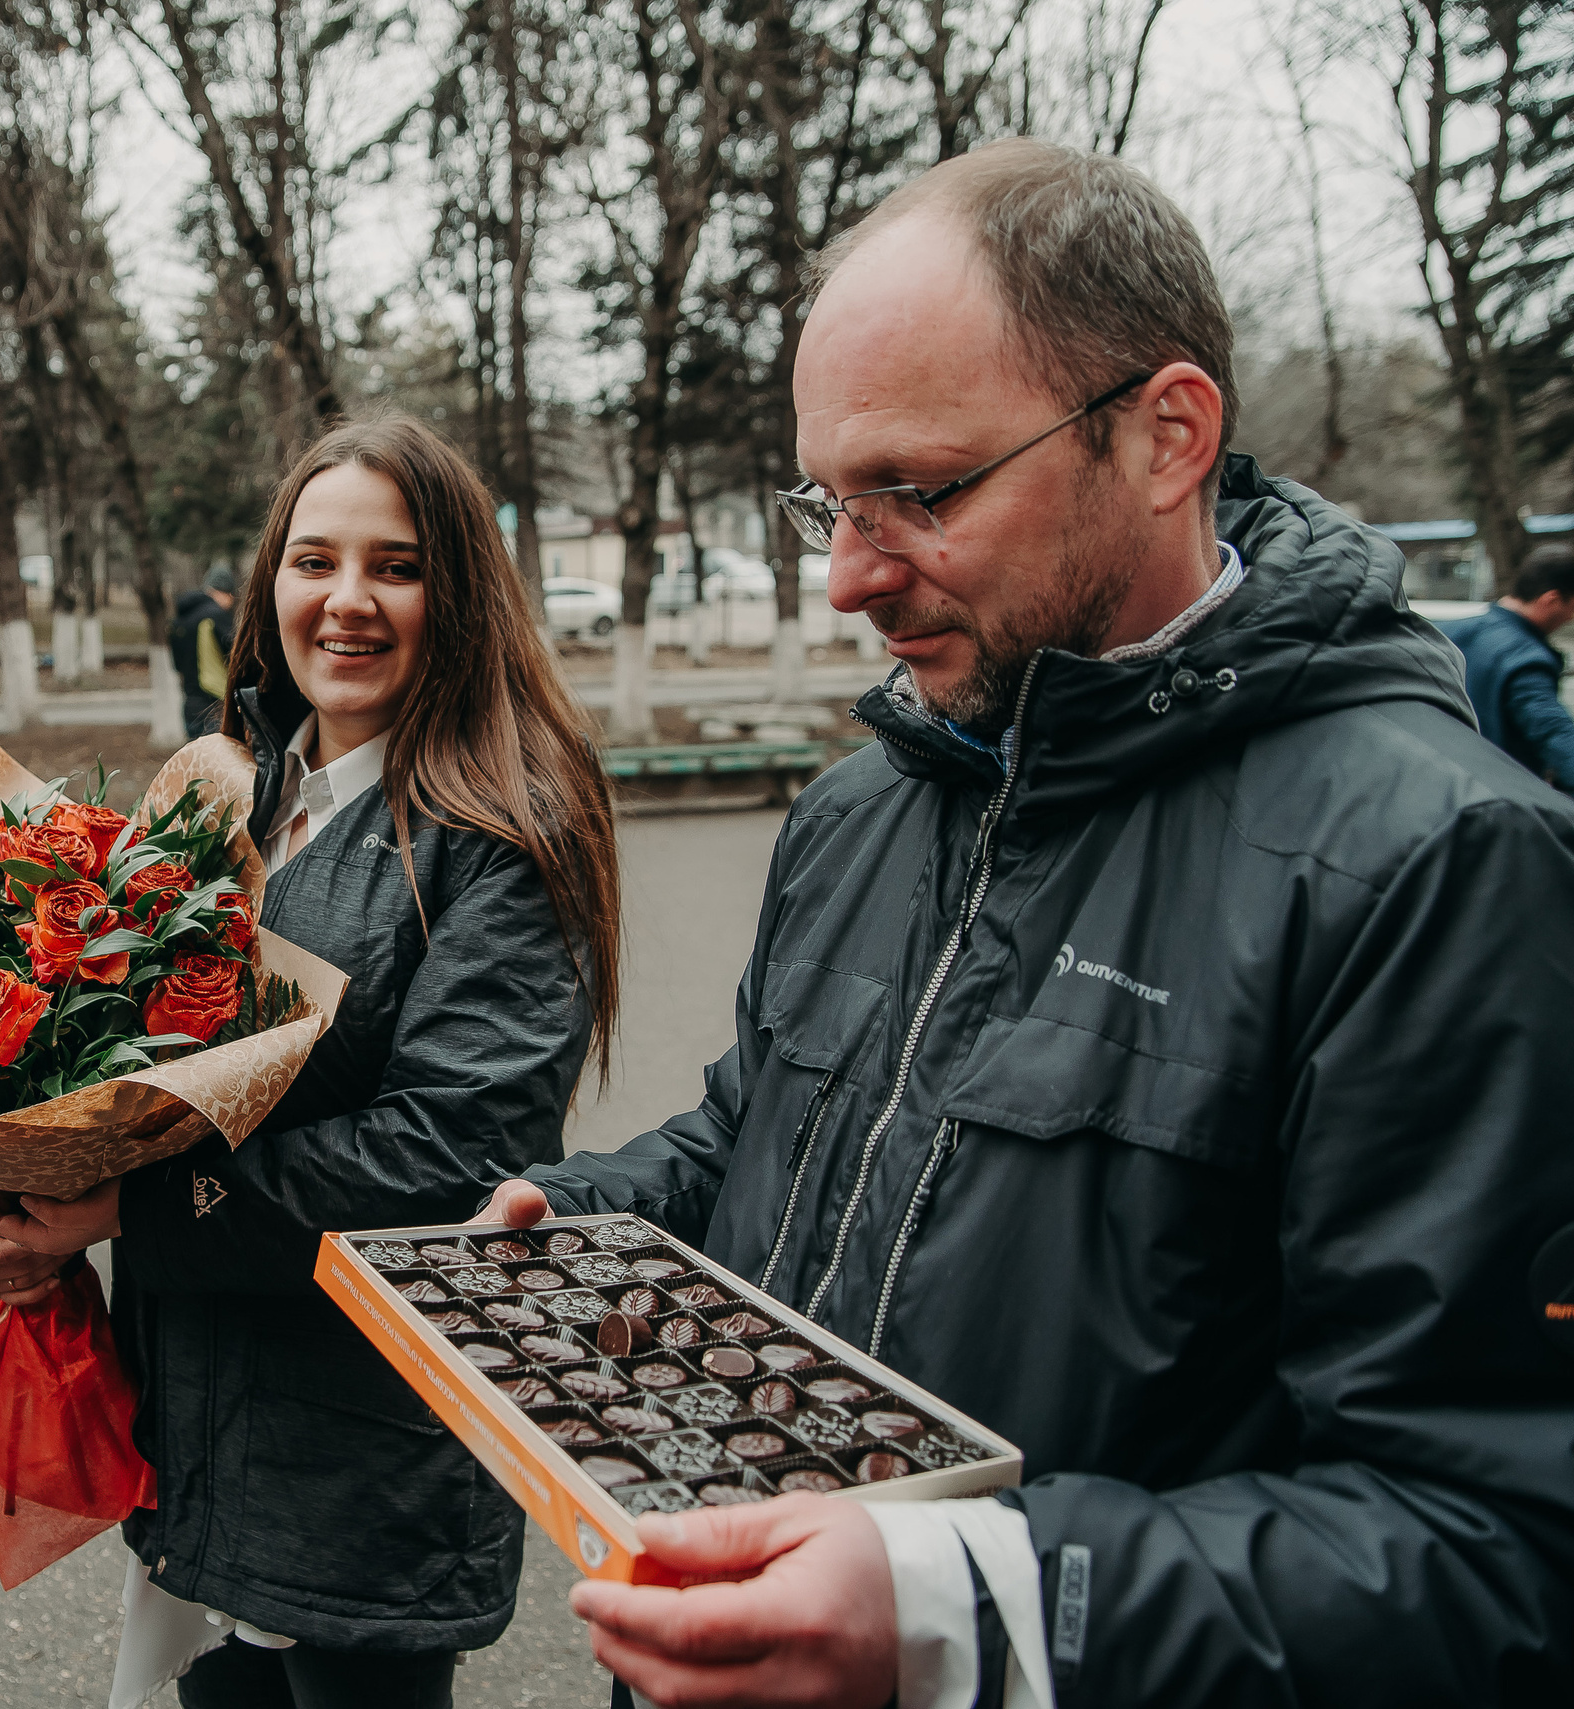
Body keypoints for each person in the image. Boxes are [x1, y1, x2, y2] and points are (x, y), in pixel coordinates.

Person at [481, 139, 1574, 1708]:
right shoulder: (865, 805)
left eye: (919, 493)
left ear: (1167, 435)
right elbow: (767, 1136)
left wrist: (973, 1605)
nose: (849, 577)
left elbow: (1497, 1545)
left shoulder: (1442, 865)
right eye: (828, 503)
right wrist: (590, 1217)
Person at [0, 416, 624, 1708]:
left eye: (397, 566)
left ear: (460, 595)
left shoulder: (507, 830)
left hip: (359, 1457)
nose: (347, 600)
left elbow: (447, 1156)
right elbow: (128, 1076)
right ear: (270, 582)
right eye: (315, 560)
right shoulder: (232, 793)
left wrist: (127, 1209)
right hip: (197, 1421)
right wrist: (19, 1189)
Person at [1440, 541, 1574, 792]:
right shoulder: (1525, 658)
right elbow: (1552, 731)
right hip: (1491, 793)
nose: (1571, 617)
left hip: (1437, 783)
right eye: (1572, 608)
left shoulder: (1445, 632)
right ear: (1552, 600)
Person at [169, 563, 238, 736]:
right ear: (224, 592)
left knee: (196, 753)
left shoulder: (180, 620)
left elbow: (177, 665)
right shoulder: (215, 616)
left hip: (190, 707)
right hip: (215, 706)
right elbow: (237, 655)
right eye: (231, 595)